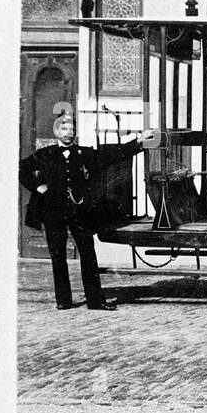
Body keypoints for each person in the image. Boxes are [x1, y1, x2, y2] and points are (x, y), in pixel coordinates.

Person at [19, 112, 158, 311]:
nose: (69, 133)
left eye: (72, 129)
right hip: (53, 212)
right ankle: (63, 301)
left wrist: (138, 140)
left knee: (88, 253)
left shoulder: (84, 154)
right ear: (56, 132)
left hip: (79, 212)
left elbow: (113, 154)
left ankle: (95, 300)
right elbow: (21, 168)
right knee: (57, 255)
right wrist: (37, 186)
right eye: (64, 129)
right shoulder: (45, 154)